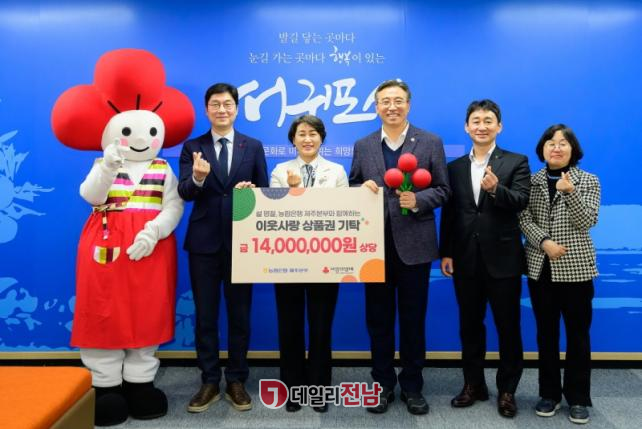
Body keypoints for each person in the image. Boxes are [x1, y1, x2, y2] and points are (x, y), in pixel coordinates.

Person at [349, 80, 450, 415]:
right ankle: (381, 384)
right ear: (376, 106)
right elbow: (352, 185)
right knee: (377, 320)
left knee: (412, 319)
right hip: (372, 247)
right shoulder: (363, 145)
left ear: (408, 104)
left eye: (398, 100)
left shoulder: (430, 142)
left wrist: (419, 200)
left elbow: (444, 189)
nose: (391, 107)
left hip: (415, 246)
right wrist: (360, 188)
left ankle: (412, 386)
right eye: (385, 101)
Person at [178, 83, 268, 413]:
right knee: (206, 315)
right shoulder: (193, 147)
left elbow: (265, 194)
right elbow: (185, 192)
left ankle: (236, 379)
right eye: (215, 104)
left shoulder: (252, 146)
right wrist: (198, 178)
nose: (222, 110)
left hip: (243, 244)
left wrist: (251, 192)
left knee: (239, 315)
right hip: (204, 244)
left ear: (236, 109)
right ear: (206, 110)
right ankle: (209, 380)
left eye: (227, 104)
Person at [440, 99, 530, 418]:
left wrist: (495, 190)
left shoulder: (516, 162)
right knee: (469, 326)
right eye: (476, 121)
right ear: (467, 127)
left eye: (488, 121)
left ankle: (507, 390)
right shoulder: (454, 168)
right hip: (465, 259)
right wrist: (446, 251)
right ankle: (473, 384)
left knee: (508, 327)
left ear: (499, 126)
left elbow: (521, 201)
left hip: (503, 259)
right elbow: (450, 214)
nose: (482, 126)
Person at [519, 124, 600, 424]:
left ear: (573, 150)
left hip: (576, 268)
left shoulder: (588, 180)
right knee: (546, 334)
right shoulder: (531, 181)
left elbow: (587, 220)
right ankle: (549, 394)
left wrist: (571, 193)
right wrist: (544, 242)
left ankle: (578, 397)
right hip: (540, 267)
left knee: (578, 335)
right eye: (551, 142)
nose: (556, 147)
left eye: (563, 143)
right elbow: (523, 218)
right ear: (542, 149)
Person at [270, 114, 348, 413]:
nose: (307, 139)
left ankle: (318, 389)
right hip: (286, 261)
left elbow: (343, 213)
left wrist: (300, 192)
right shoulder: (280, 171)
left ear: (321, 138)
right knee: (289, 326)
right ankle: (292, 389)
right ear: (293, 139)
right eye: (301, 133)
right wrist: (291, 192)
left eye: (313, 133)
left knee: (320, 327)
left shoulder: (336, 171)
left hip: (327, 261)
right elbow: (273, 215)